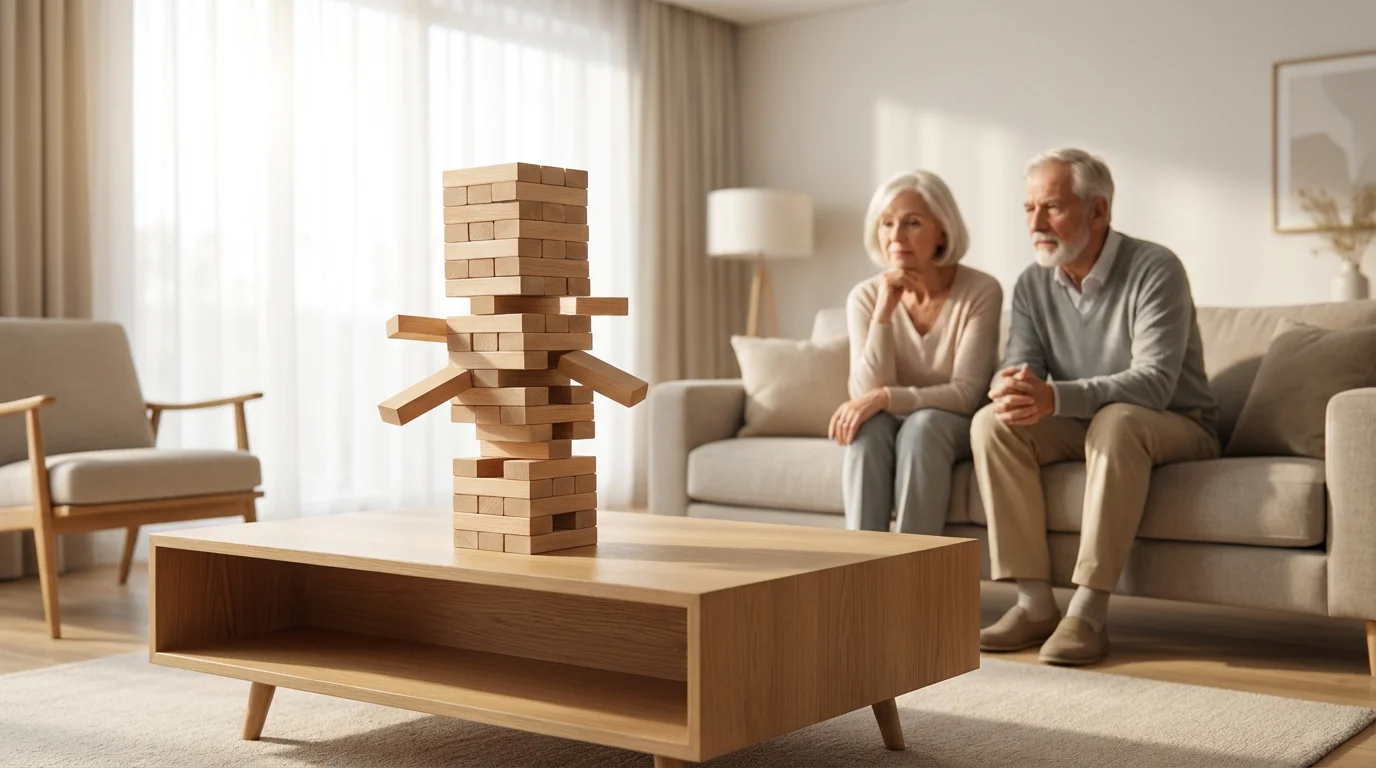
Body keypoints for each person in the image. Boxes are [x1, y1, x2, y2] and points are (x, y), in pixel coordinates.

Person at [973, 148, 1220, 665]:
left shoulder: (1156, 268)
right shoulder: (1032, 282)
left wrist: (1055, 396)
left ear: (1098, 211)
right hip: (1086, 422)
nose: (1036, 223)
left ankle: (1088, 611)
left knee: (1118, 420)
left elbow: (1153, 384)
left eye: (1052, 208)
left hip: (1177, 424)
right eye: (1028, 209)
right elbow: (1022, 364)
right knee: (993, 423)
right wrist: (1010, 386)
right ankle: (1034, 603)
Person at [831, 170, 1002, 536]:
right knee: (867, 429)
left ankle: (912, 574)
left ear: (942, 230)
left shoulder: (981, 291)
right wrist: (883, 312)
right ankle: (860, 569)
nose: (896, 236)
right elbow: (863, 395)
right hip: (893, 421)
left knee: (922, 426)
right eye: (887, 223)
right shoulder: (864, 297)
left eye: (912, 223)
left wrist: (885, 397)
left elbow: (966, 392)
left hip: (951, 424)